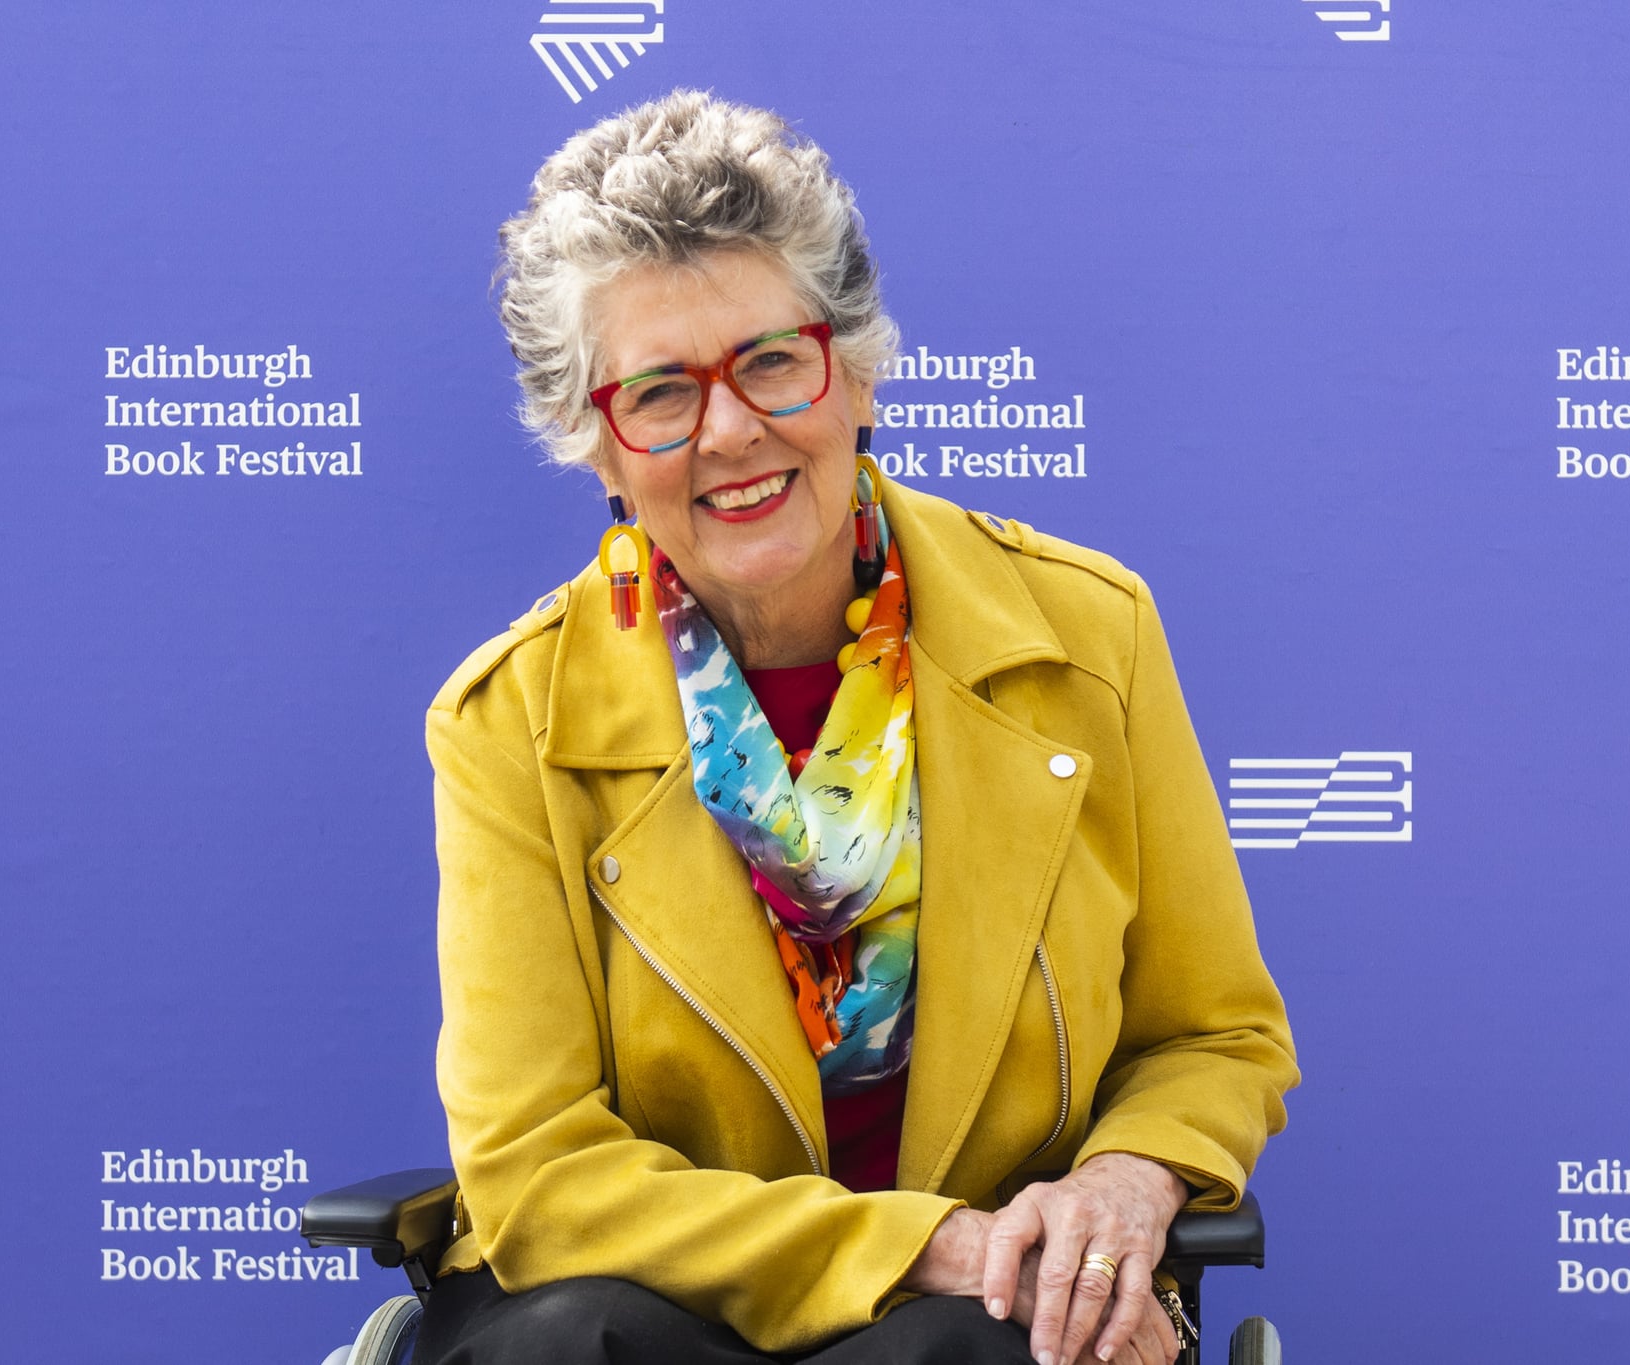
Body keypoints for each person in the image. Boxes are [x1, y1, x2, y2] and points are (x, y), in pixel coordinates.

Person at [415, 91, 1297, 1365]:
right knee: (570, 1343)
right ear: (590, 443)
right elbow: (538, 1173)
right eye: (658, 392)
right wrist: (913, 1244)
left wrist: (1123, 1189)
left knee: (969, 1353)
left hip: (974, 1316)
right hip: (657, 1316)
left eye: (771, 360)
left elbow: (1211, 1033)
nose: (729, 431)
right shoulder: (508, 719)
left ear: (858, 368)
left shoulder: (1084, 635)